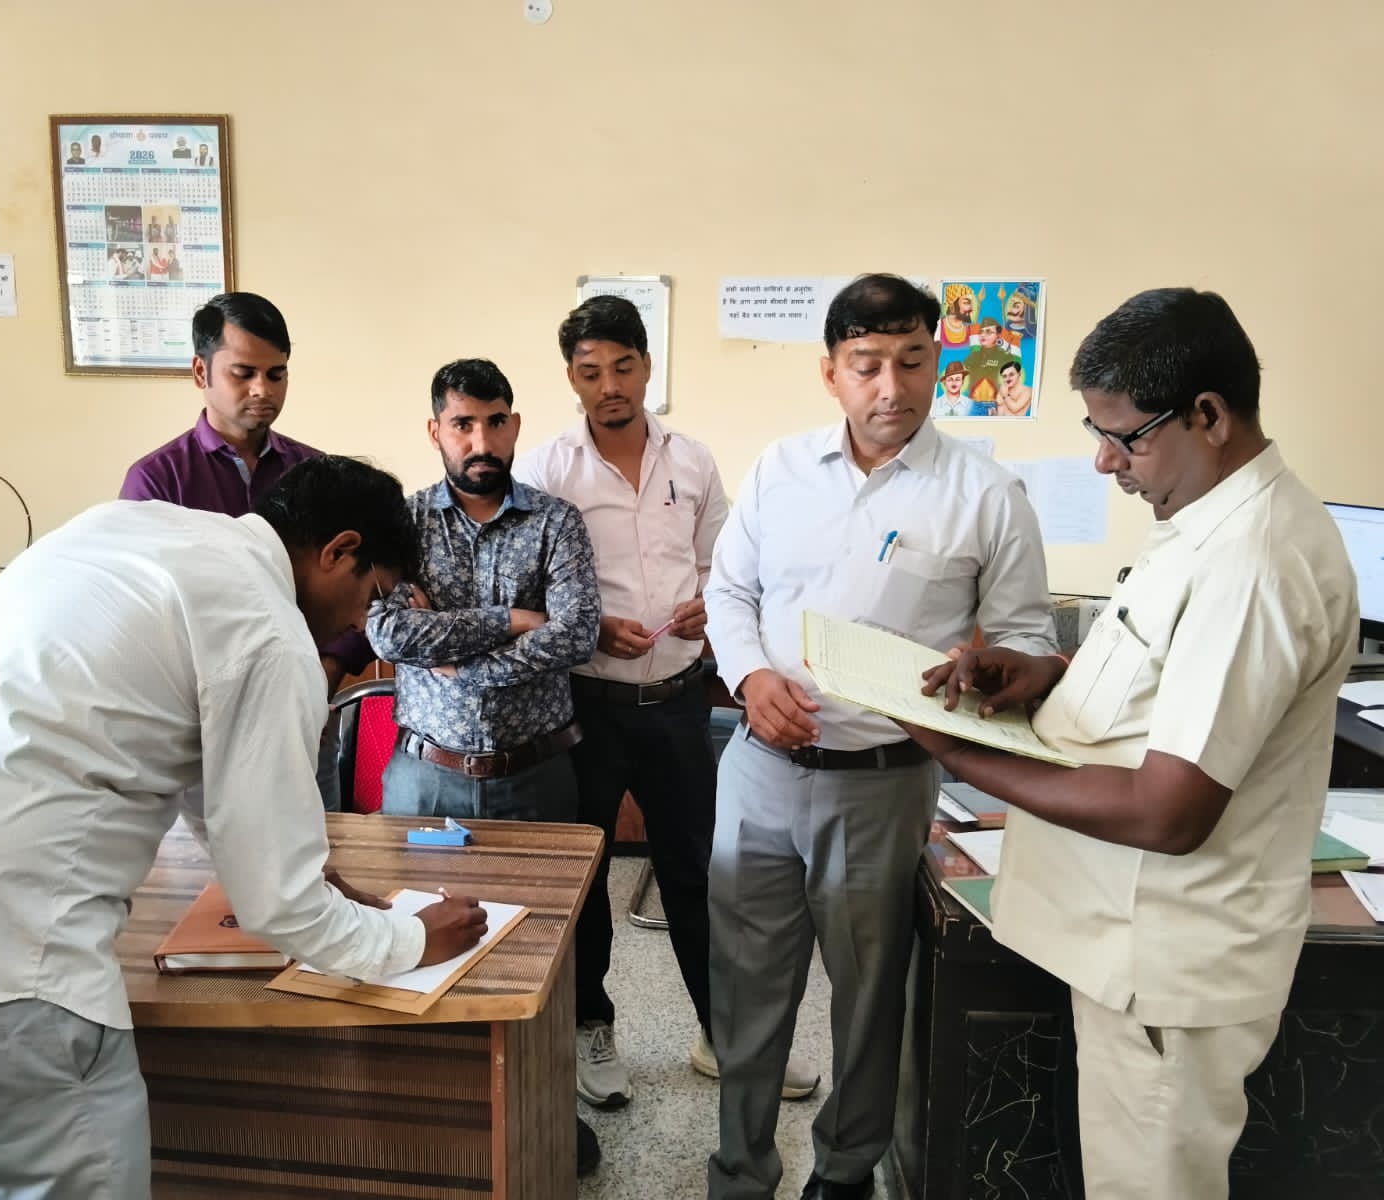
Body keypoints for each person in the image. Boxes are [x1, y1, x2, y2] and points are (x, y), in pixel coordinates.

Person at [0, 456, 490, 1200]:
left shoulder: (127, 530)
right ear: (339, 551)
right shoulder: (268, 630)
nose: (362, 622)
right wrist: (409, 939)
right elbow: (278, 908)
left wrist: (309, 873)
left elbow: (211, 782)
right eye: (372, 593)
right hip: (2, 976)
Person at [904, 288, 1358, 1200]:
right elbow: (1171, 683)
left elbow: (1169, 811)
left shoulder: (1253, 561)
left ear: (1209, 415)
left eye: (1126, 437)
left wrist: (965, 757)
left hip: (1167, 960)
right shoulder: (1204, 521)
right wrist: (1048, 674)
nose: (1104, 460)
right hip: (1129, 945)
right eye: (1096, 431)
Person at [704, 273, 1057, 1200]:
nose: (891, 387)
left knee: (867, 997)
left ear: (938, 361)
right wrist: (750, 676)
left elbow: (1028, 638)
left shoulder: (986, 493)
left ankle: (846, 1171)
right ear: (831, 373)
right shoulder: (780, 469)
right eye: (867, 365)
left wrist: (992, 668)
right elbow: (728, 590)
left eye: (912, 361)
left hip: (884, 780)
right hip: (760, 767)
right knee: (746, 987)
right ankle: (739, 1170)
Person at [514, 297, 823, 1113]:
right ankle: (592, 1029)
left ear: (647, 366)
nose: (609, 385)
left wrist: (708, 608)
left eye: (623, 367)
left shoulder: (692, 459)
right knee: (586, 879)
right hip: (584, 706)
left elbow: (724, 565)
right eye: (590, 372)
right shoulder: (547, 470)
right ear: (572, 378)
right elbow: (526, 590)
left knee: (697, 874)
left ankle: (723, 1035)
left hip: (680, 703)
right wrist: (587, 631)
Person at [119, 292, 374, 809]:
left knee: (314, 851)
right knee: (204, 858)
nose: (263, 389)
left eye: (277, 374)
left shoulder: (317, 475)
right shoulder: (157, 481)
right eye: (244, 373)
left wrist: (325, 672)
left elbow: (361, 587)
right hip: (198, 737)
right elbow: (142, 615)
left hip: (303, 720)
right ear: (201, 371)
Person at [366, 358, 599, 826]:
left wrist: (460, 667)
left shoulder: (557, 522)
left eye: (495, 423)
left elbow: (576, 634)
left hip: (537, 775)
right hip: (426, 778)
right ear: (435, 431)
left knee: (552, 882)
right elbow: (389, 633)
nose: (482, 444)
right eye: (463, 425)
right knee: (413, 881)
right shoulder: (404, 522)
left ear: (515, 426)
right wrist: (512, 621)